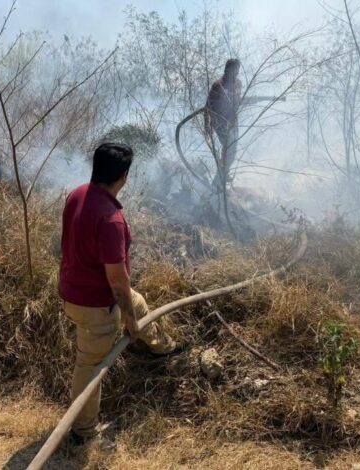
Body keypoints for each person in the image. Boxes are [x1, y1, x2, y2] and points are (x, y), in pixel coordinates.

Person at [59, 142, 177, 445]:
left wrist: (130, 310)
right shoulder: (111, 219)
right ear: (124, 176)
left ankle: (164, 347)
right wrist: (127, 320)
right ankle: (83, 433)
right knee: (90, 366)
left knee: (137, 302)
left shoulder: (78, 195)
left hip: (73, 291)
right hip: (94, 304)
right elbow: (116, 278)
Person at [205, 58, 243, 185]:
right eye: (234, 70)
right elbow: (207, 106)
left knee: (231, 153)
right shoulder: (218, 85)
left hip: (233, 124)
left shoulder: (238, 84)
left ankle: (222, 176)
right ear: (227, 70)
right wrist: (206, 126)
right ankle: (217, 182)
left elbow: (239, 102)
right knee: (229, 151)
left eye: (238, 70)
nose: (236, 73)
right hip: (220, 124)